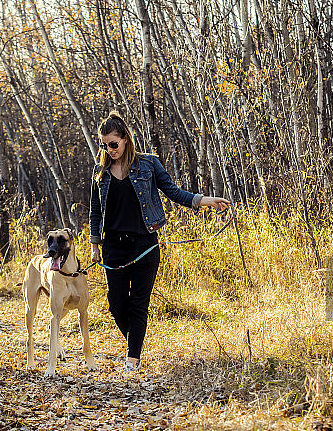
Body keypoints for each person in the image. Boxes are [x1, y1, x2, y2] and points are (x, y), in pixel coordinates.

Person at [89, 111, 231, 372]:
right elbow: (95, 210)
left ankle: (132, 359)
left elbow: (173, 192)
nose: (109, 150)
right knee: (117, 304)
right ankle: (136, 342)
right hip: (113, 248)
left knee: (138, 303)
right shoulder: (101, 173)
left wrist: (203, 200)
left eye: (113, 144)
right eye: (104, 145)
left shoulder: (149, 164)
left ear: (126, 139)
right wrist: (95, 245)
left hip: (144, 244)